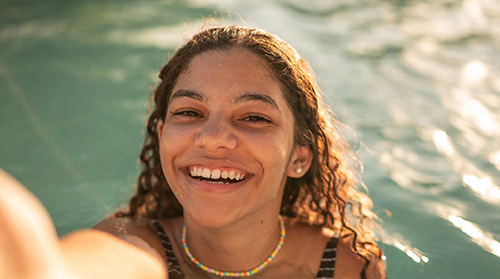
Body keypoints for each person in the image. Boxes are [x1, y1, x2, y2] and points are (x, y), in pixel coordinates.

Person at [0, 25, 385, 279]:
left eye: (253, 117)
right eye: (190, 112)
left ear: (300, 156)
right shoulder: (132, 242)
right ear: (163, 136)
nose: (213, 137)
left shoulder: (346, 265)